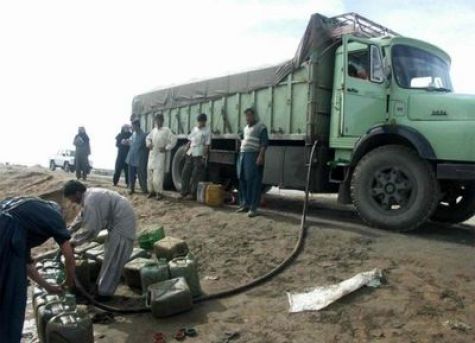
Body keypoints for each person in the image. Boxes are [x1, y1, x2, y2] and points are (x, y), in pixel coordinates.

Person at [0, 197, 75, 343]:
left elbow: (27, 265)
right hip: (5, 235)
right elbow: (69, 255)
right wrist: (69, 281)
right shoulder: (54, 216)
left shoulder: (25, 216)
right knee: (12, 295)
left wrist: (48, 286)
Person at [64, 180, 136, 298]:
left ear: (77, 193)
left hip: (122, 223)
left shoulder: (90, 200)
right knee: (109, 255)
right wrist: (68, 231)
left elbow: (91, 229)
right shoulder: (89, 197)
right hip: (117, 222)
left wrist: (73, 242)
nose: (71, 201)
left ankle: (104, 293)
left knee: (114, 258)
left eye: (71, 198)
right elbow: (82, 217)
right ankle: (101, 288)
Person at [236, 108, 268, 217]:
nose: (247, 118)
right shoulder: (245, 128)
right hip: (243, 155)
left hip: (253, 155)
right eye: (246, 116)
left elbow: (264, 144)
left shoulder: (261, 127)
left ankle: (253, 208)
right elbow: (243, 139)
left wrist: (260, 156)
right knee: (242, 179)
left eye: (249, 116)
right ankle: (245, 204)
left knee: (253, 182)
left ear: (254, 116)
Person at [146, 114, 177, 200]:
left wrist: (166, 148)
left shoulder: (166, 130)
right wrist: (149, 144)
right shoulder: (153, 130)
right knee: (150, 174)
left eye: (159, 120)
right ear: (155, 121)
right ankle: (151, 191)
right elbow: (147, 138)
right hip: (152, 154)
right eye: (156, 120)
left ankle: (159, 193)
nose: (158, 122)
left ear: (162, 121)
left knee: (158, 175)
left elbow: (174, 140)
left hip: (160, 154)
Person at [180, 113, 211, 199]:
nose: (200, 123)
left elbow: (206, 145)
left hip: (199, 153)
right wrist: (186, 150)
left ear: (204, 122)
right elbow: (190, 141)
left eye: (201, 122)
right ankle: (184, 191)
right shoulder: (195, 129)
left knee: (195, 175)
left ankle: (192, 194)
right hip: (191, 152)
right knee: (185, 172)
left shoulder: (207, 130)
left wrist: (204, 157)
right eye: (199, 122)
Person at [125, 119, 148, 194]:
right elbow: (130, 141)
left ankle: (144, 189)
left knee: (141, 175)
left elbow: (146, 148)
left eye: (133, 126)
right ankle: (131, 189)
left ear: (137, 125)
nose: (132, 127)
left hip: (139, 159)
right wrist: (126, 141)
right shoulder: (133, 134)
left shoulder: (143, 135)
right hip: (131, 157)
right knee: (131, 175)